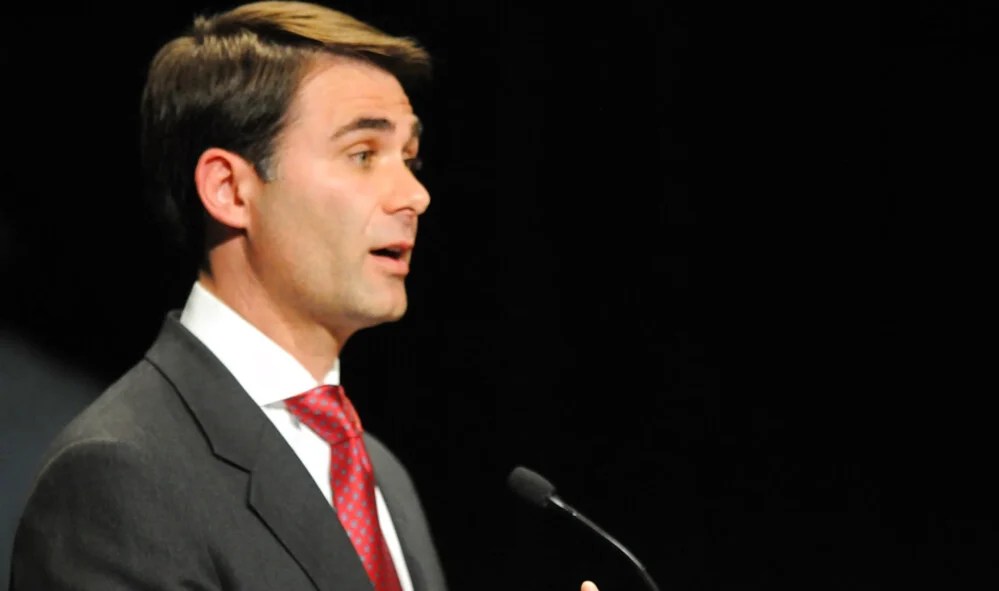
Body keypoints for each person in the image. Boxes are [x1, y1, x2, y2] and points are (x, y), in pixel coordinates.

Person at [8, 2, 599, 590]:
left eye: (411, 158)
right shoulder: (119, 474)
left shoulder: (380, 474)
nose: (414, 194)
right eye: (363, 154)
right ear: (230, 189)